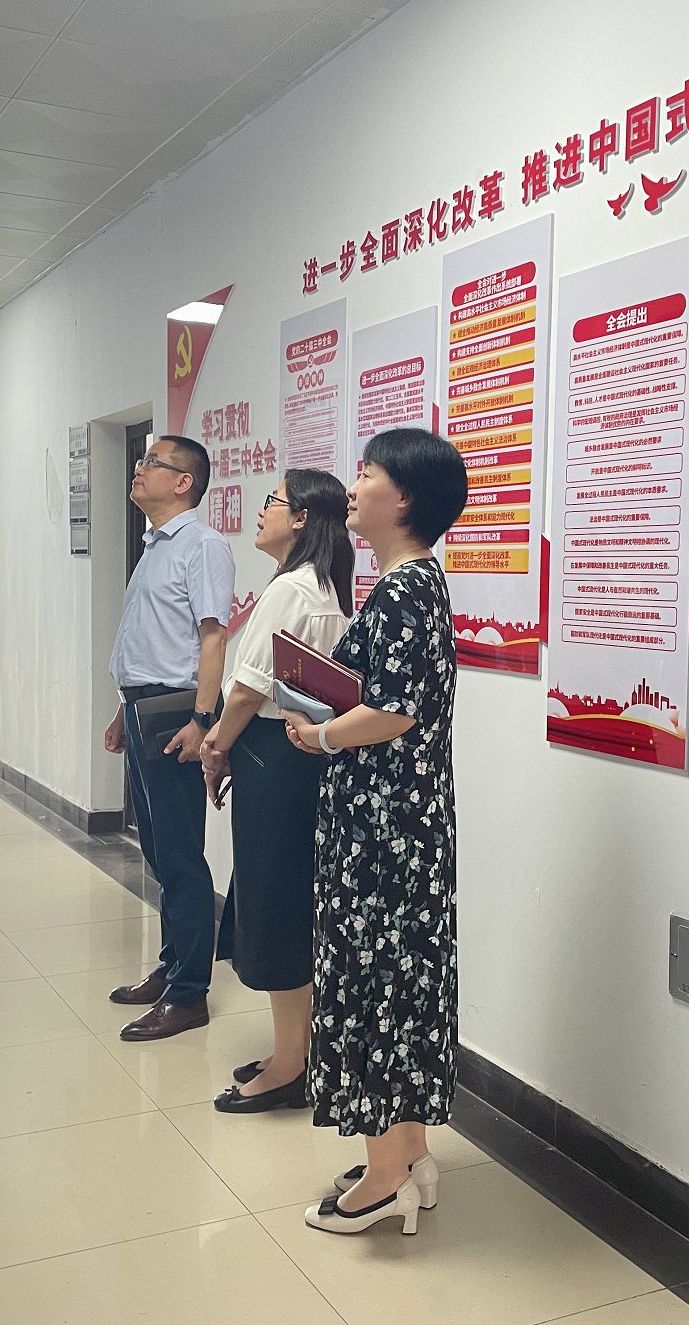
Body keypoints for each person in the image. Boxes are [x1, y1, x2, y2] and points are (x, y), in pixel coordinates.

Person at [279, 429, 468, 1237]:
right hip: (406, 823)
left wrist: (319, 733)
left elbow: (392, 711)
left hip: (381, 830)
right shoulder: (419, 582)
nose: (353, 488)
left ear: (407, 498)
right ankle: (410, 1154)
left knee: (375, 984)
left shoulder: (400, 591)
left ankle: (386, 1178)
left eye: (368, 474)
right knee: (404, 980)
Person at [199, 470, 353, 1113]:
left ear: (303, 518)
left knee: (276, 908)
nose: (262, 512)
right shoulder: (319, 587)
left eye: (273, 502)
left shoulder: (293, 589)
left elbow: (247, 691)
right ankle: (296, 1050)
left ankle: (292, 1066)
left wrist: (216, 746)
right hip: (294, 759)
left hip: (275, 758)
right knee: (285, 902)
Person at [103, 434, 234, 1042]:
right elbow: (151, 638)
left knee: (180, 854)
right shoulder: (155, 545)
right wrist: (123, 711)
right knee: (157, 850)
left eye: (151, 462)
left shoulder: (202, 546)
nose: (139, 469)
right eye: (142, 460)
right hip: (143, 708)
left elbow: (213, 639)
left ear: (183, 482)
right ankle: (171, 966)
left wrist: (202, 721)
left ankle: (188, 995)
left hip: (177, 712)